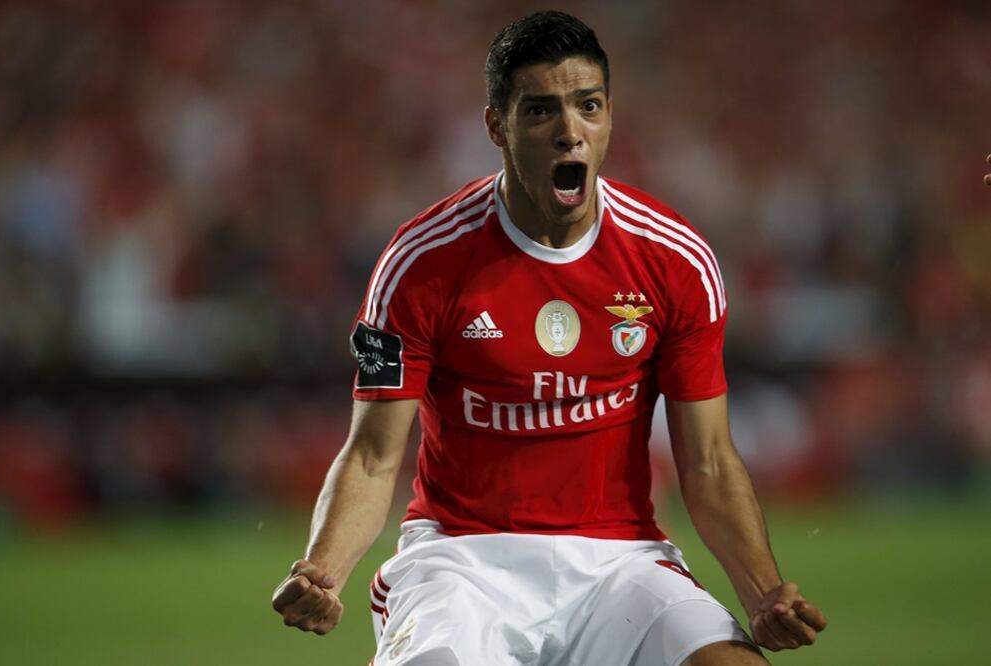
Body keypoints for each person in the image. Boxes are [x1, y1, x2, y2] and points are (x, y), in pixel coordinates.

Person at [272, 11, 827, 665]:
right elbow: (369, 456)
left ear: (609, 116)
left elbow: (706, 461)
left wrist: (761, 592)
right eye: (540, 112)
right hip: (463, 561)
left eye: (587, 106)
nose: (570, 132)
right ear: (495, 126)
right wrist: (322, 569)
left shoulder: (675, 260)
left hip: (621, 562)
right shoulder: (418, 264)